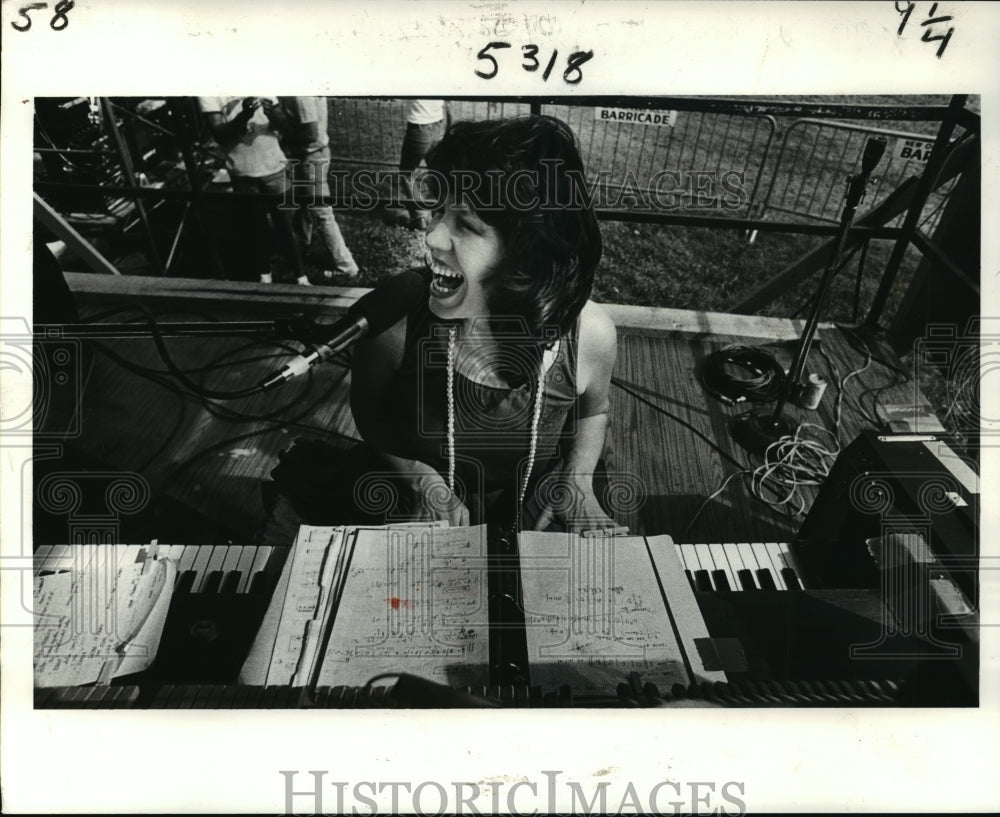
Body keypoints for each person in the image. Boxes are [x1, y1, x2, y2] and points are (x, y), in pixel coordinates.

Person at [264, 115, 624, 538]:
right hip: (416, 495)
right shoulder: (396, 321)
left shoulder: (591, 335)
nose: (432, 236)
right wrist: (417, 476)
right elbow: (371, 414)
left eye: (467, 226)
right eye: (439, 212)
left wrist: (578, 479)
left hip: (535, 503)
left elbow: (593, 413)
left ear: (530, 259)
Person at [197, 96, 310, 285]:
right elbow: (219, 133)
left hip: (275, 166)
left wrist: (273, 113)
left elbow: (285, 126)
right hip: (242, 171)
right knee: (256, 226)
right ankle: (264, 276)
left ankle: (301, 276)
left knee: (285, 226)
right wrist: (245, 115)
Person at [279, 96, 360, 278]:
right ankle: (302, 245)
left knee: (322, 212)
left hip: (311, 156)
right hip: (314, 152)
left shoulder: (300, 93)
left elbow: (310, 133)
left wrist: (283, 136)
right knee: (303, 203)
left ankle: (346, 266)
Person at [383, 99, 447, 230]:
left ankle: (419, 217)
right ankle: (440, 215)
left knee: (406, 173)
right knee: (437, 173)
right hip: (438, 123)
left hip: (420, 126)